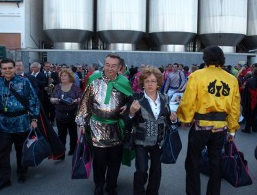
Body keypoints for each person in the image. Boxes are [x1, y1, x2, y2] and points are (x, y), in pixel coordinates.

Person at [177, 46, 240, 195]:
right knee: (216, 163)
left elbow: (188, 101)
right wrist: (232, 130)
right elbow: (235, 107)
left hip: (200, 126)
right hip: (221, 127)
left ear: (205, 58)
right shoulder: (231, 79)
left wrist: (185, 119)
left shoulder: (197, 75)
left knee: (193, 162)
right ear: (222, 58)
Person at [75, 53, 133, 195]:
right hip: (97, 127)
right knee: (99, 161)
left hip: (116, 127)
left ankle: (111, 186)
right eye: (107, 65)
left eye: (114, 66)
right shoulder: (94, 80)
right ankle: (99, 185)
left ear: (120, 68)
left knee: (115, 161)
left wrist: (128, 106)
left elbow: (131, 100)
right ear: (104, 65)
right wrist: (81, 124)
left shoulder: (124, 82)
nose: (110, 68)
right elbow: (84, 104)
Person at [0, 59, 40, 191]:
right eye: (4, 68)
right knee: (3, 151)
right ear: (0, 69)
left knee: (21, 150)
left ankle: (21, 173)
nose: (7, 70)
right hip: (3, 122)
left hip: (21, 121)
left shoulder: (24, 81)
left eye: (10, 68)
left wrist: (34, 118)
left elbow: (33, 100)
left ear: (14, 68)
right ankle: (4, 179)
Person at [125, 66, 177, 195]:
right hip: (141, 140)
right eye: (147, 81)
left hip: (158, 141)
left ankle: (152, 192)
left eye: (153, 81)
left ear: (158, 83)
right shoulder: (136, 98)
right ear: (142, 83)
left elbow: (168, 119)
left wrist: (173, 119)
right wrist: (131, 113)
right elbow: (126, 121)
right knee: (142, 170)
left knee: (156, 170)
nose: (150, 84)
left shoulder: (165, 98)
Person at [50, 68, 82, 158]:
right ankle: (61, 152)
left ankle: (73, 150)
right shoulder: (57, 86)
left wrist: (75, 100)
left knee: (73, 133)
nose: (63, 77)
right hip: (60, 114)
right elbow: (52, 98)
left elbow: (81, 98)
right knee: (61, 134)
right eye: (61, 75)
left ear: (70, 77)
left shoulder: (75, 87)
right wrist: (54, 100)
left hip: (72, 113)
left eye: (65, 75)